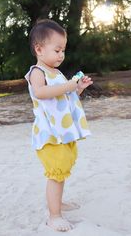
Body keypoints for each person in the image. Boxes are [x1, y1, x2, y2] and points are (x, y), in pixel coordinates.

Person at [25, 19, 93, 232]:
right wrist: (68, 85)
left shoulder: (58, 73)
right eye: (57, 50)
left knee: (62, 169)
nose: (61, 55)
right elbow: (41, 93)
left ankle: (58, 203)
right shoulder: (38, 72)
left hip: (62, 132)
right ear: (39, 49)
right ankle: (54, 216)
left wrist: (78, 87)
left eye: (63, 50)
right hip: (50, 133)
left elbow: (65, 97)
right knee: (55, 173)